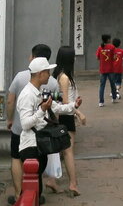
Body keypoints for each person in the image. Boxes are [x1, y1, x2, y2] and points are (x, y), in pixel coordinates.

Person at [17, 57, 80, 204]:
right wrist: (41, 110)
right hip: (30, 146)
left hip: (39, 144)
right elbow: (25, 124)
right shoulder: (27, 95)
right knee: (32, 185)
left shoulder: (41, 91)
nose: (49, 75)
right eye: (47, 72)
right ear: (40, 74)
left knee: (34, 185)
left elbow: (56, 108)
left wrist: (73, 106)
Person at [6, 44, 60, 203]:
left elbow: (10, 101)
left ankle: (18, 195)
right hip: (41, 131)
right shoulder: (52, 82)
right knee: (38, 160)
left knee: (16, 158)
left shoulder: (20, 77)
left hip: (20, 127)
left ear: (33, 57)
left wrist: (10, 119)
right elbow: (55, 106)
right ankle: (36, 194)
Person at [53, 46, 86, 197]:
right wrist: (79, 113)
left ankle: (52, 180)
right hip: (66, 116)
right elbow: (66, 101)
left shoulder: (61, 75)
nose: (74, 59)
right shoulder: (64, 77)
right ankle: (73, 184)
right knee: (68, 151)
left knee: (61, 150)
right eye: (72, 57)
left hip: (65, 114)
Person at [95, 34, 116, 106]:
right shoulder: (112, 47)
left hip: (102, 69)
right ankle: (114, 98)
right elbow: (115, 57)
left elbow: (97, 58)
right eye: (109, 38)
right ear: (107, 40)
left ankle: (101, 102)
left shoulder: (100, 47)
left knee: (102, 86)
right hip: (111, 69)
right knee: (112, 84)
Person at [111, 37, 123, 101]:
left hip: (112, 69)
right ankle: (116, 91)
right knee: (118, 82)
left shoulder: (111, 51)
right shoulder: (121, 51)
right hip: (119, 69)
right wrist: (122, 59)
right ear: (119, 44)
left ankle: (113, 91)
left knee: (112, 81)